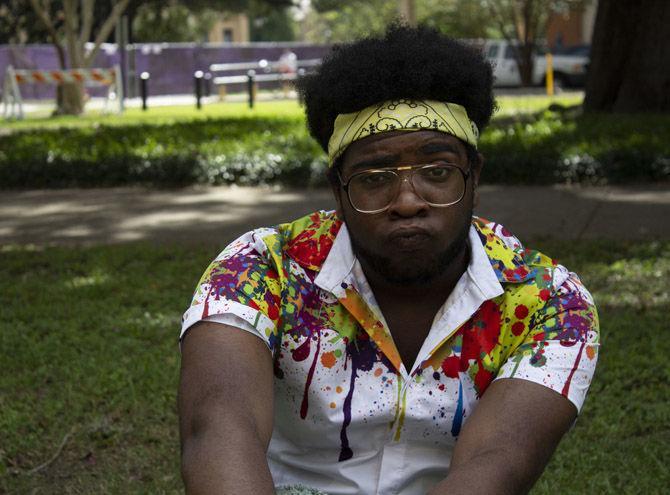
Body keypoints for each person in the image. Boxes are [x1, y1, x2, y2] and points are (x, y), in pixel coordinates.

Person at [178, 24, 599, 495]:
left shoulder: (549, 302)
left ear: (473, 175)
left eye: (437, 171)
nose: (407, 201)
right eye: (375, 177)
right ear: (338, 189)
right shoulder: (260, 270)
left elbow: (496, 464)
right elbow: (217, 428)